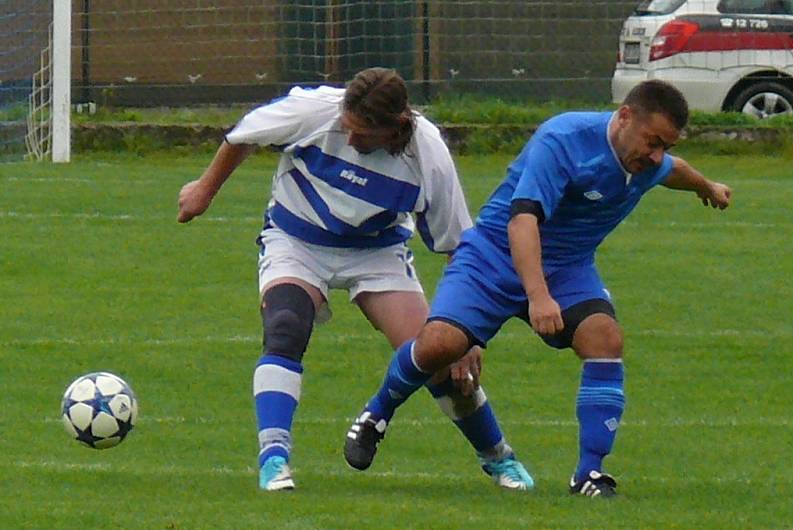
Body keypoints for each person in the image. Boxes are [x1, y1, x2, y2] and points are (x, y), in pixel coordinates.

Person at [343, 79, 732, 497]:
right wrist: (538, 297)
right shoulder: (564, 139)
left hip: (567, 269)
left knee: (605, 338)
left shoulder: (649, 161)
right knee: (440, 345)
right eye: (653, 141)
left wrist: (706, 186)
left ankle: (589, 475)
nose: (656, 155)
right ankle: (377, 413)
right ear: (624, 117)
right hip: (493, 257)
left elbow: (675, 170)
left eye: (665, 146)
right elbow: (522, 220)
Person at [177, 67, 533, 491]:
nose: (349, 139)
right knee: (286, 327)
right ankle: (274, 460)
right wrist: (204, 190)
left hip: (377, 252)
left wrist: (465, 331)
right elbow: (242, 136)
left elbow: (459, 245)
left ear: (395, 127)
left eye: (362, 134)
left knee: (440, 355)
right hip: (297, 240)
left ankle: (498, 457)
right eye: (346, 127)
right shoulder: (315, 110)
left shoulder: (428, 152)